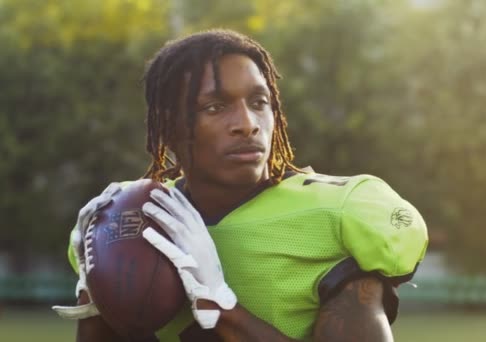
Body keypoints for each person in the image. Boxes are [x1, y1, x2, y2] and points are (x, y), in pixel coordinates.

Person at [52, 29, 428, 341]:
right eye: (215, 107)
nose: (247, 123)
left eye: (259, 102)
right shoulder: (140, 220)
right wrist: (97, 295)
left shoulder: (338, 212)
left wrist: (222, 307)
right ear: (168, 126)